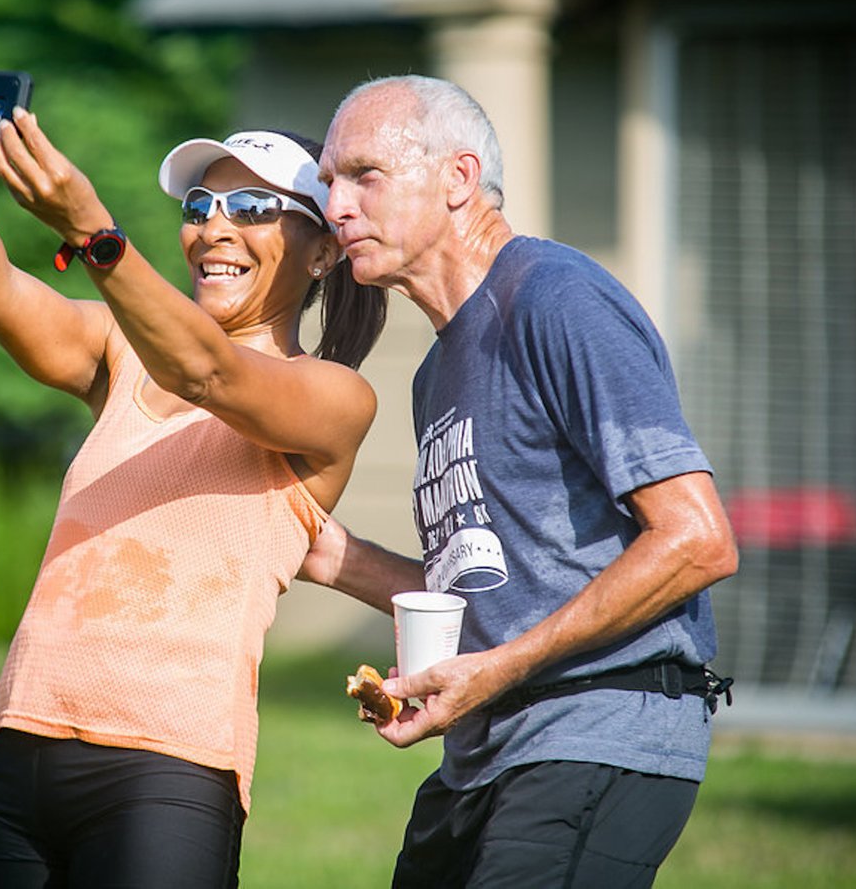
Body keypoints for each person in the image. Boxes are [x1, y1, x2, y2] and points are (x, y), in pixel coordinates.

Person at [0, 46, 386, 887]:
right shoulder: (123, 348)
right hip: (19, 742)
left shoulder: (332, 396)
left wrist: (93, 232)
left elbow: (214, 374)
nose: (214, 225)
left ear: (323, 252)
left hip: (168, 768)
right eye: (201, 203)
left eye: (255, 205)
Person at [301, 74, 739, 888]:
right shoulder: (434, 373)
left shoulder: (555, 298)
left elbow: (697, 539)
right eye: (329, 182)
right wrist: (330, 556)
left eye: (364, 174)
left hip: (598, 732)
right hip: (484, 756)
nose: (336, 206)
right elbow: (488, 597)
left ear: (459, 179)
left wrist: (497, 670)